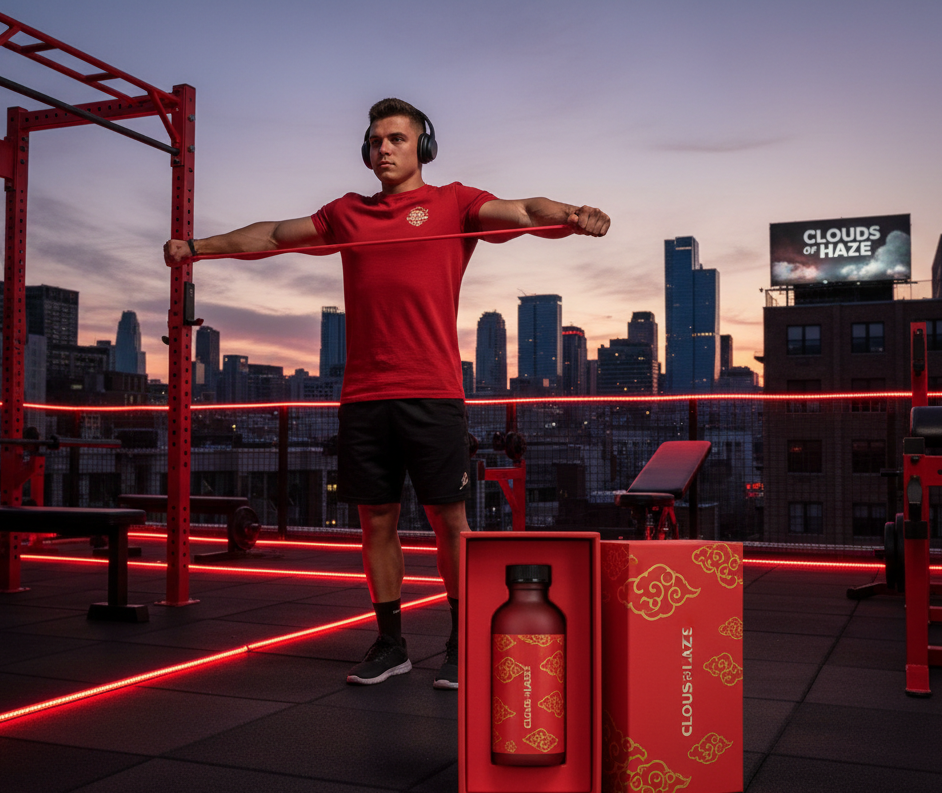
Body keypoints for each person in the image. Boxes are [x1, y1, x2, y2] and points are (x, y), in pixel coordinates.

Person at [164, 98, 609, 690]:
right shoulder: (347, 214)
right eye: (375, 141)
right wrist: (196, 247)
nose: (384, 149)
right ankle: (391, 643)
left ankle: (463, 640)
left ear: (421, 146)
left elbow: (527, 209)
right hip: (366, 395)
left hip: (433, 391)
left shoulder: (455, 202)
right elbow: (273, 234)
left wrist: (574, 213)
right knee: (377, 521)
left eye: (396, 139)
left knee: (450, 521)